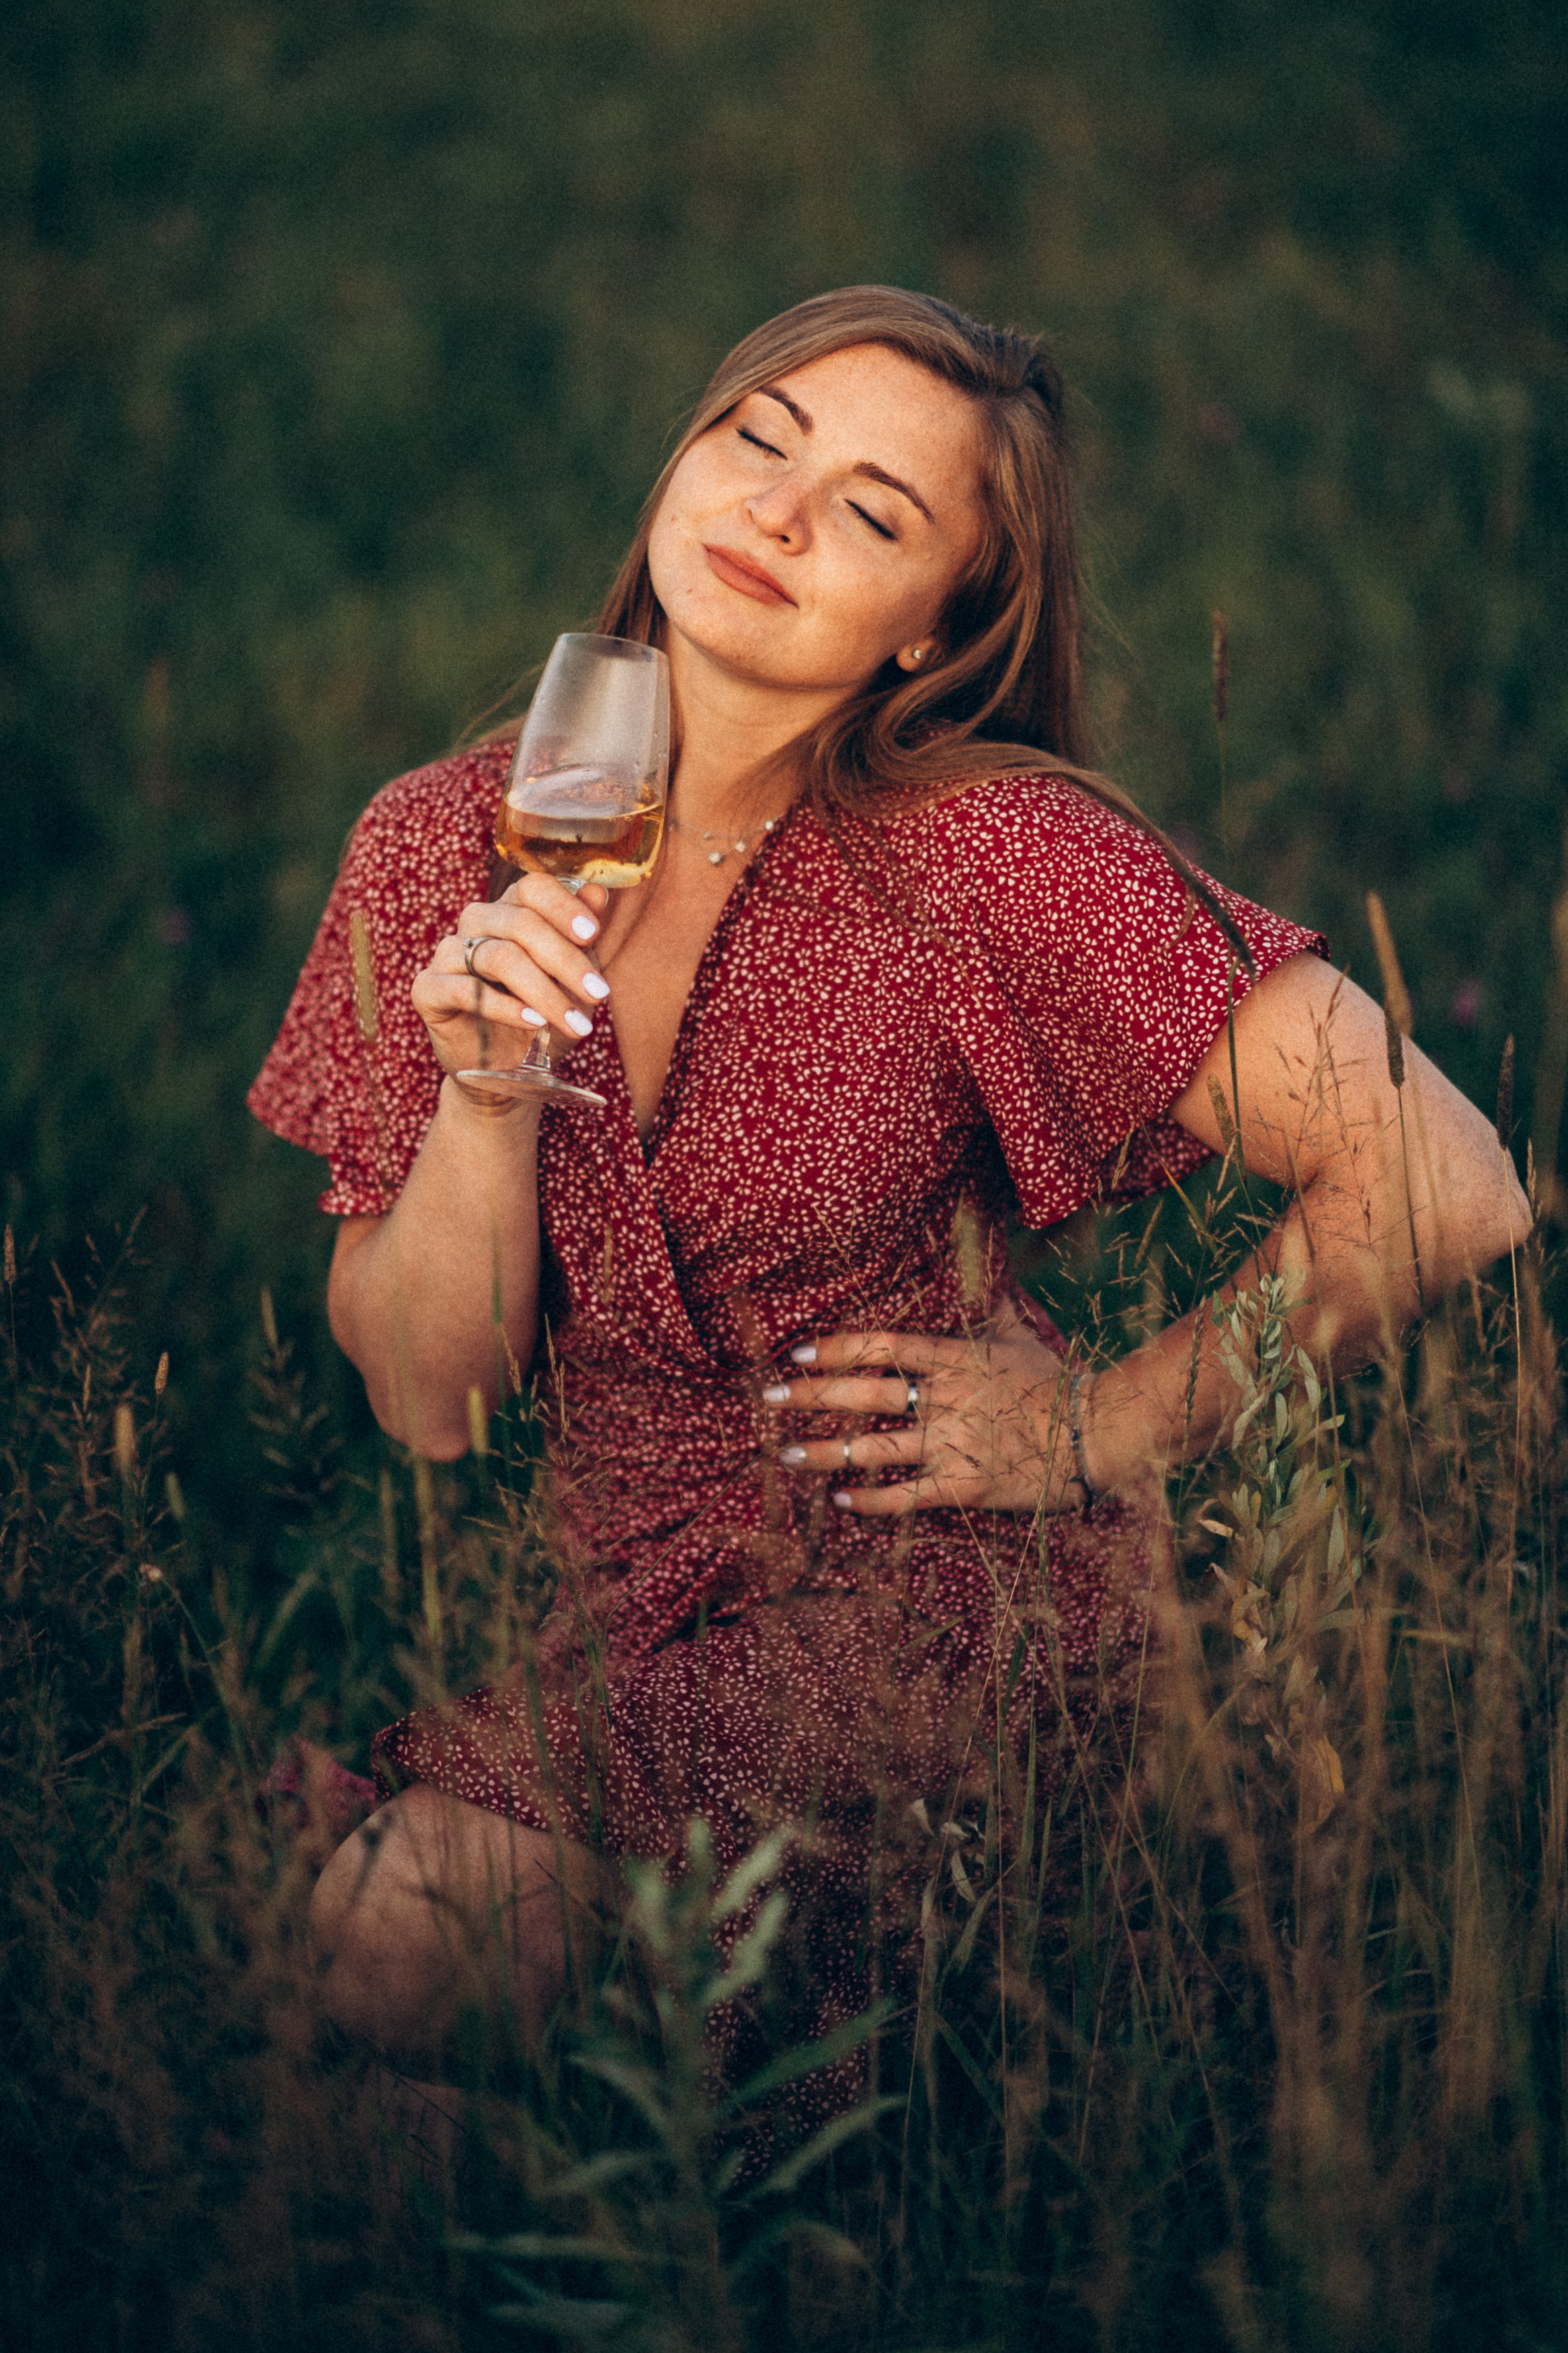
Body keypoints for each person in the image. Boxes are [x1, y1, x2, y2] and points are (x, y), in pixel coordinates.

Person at [248, 286, 1525, 2094]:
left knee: (402, 1936)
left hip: (952, 1599)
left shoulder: (986, 852)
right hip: (633, 1607)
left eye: (870, 511)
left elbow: (1446, 1177)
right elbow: (429, 1404)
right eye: (756, 439)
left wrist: (1097, 1427)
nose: (775, 513)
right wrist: (484, 1097)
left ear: (936, 624)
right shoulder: (437, 845)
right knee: (366, 2068)